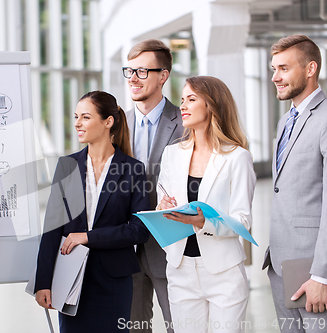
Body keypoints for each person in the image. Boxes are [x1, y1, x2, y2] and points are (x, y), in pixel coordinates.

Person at [34, 91, 151, 332]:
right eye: (76, 116)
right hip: (69, 277)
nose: (77, 123)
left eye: (85, 117)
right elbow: (52, 227)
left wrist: (88, 237)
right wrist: (42, 282)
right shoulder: (67, 166)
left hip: (114, 281)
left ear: (108, 121)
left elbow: (139, 231)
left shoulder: (133, 170)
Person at [157, 76, 256, 333]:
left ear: (212, 106)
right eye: (182, 100)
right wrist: (162, 207)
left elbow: (243, 221)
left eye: (192, 99)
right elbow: (163, 202)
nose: (183, 106)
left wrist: (204, 223)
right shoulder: (171, 154)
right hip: (181, 270)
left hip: (224, 272)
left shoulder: (237, 158)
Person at [263, 34, 327, 332]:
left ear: (310, 69)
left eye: (284, 68)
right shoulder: (285, 120)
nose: (275, 77)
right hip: (280, 264)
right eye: (273, 69)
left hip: (312, 268)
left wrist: (322, 275)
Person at [123, 39, 184, 333]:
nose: (133, 78)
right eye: (130, 71)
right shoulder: (117, 123)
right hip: (124, 247)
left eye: (142, 71)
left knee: (179, 325)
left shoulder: (184, 123)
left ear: (163, 75)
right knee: (133, 328)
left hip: (170, 246)